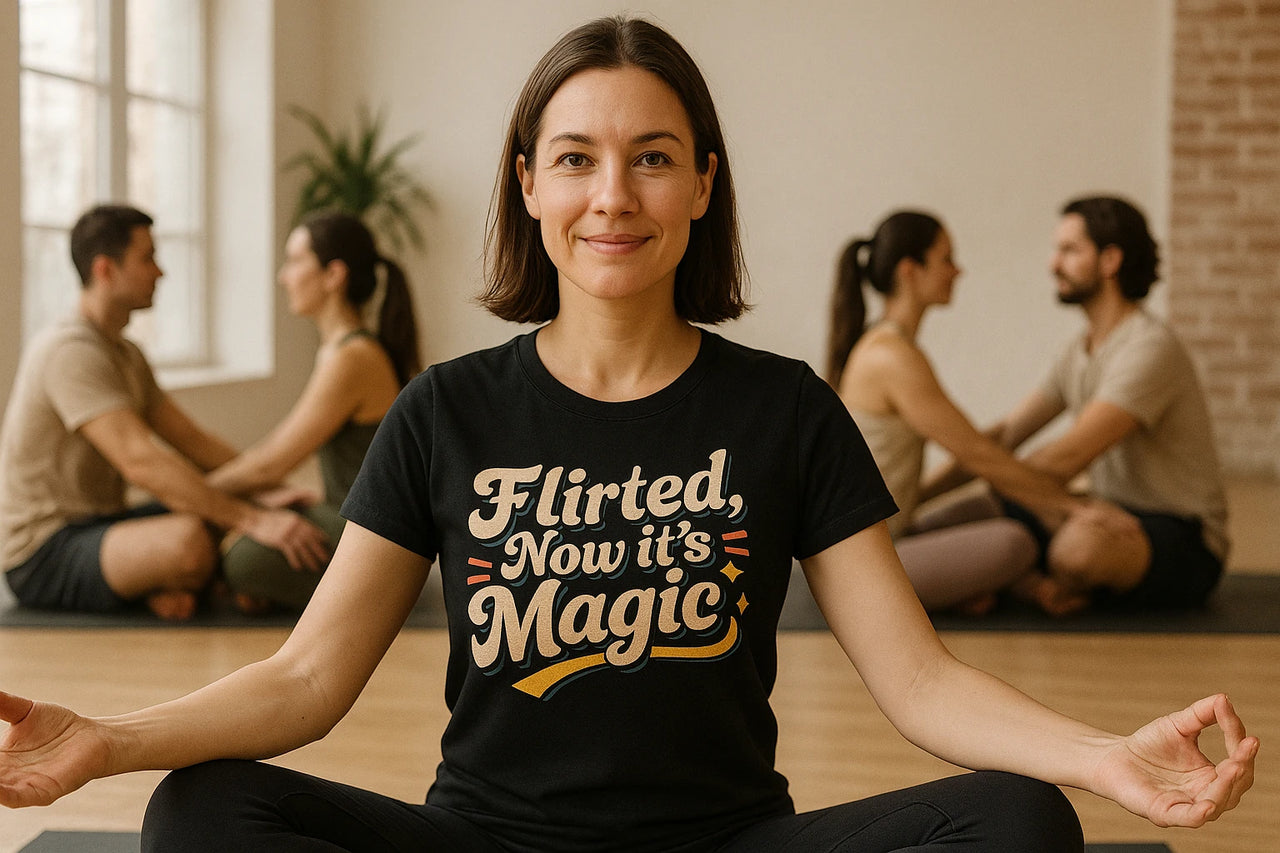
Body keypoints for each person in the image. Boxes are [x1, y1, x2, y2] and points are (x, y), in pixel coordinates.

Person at [0, 19, 1256, 852]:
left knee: (1018, 824)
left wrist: (1105, 758)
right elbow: (304, 681)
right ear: (529, 184)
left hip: (726, 839)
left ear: (702, 184)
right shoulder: (445, 411)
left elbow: (917, 681)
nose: (613, 195)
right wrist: (112, 738)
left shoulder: (781, 409)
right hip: (487, 841)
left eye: (652, 159)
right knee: (202, 815)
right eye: (577, 160)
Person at [0, 205, 331, 621]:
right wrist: (253, 520)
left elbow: (192, 439)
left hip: (106, 524)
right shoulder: (69, 352)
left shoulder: (126, 353)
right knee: (188, 543)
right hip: (45, 550)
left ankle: (157, 583)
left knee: (223, 493)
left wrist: (261, 488)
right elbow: (140, 460)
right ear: (105, 269)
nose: (161, 272)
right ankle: (159, 582)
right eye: (147, 258)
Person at [927, 196, 1230, 616]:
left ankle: (1031, 582)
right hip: (1108, 510)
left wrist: (1005, 481)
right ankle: (1035, 585)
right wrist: (922, 495)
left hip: (1181, 535)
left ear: (1110, 260)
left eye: (1069, 251)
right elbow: (1006, 434)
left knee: (1076, 551)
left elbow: (1064, 459)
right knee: (970, 515)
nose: (1053, 264)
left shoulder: (1149, 348)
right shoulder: (1079, 350)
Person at [827, 210, 1118, 613]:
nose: (957, 271)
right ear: (910, 270)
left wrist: (1051, 498)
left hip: (890, 533)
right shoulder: (891, 357)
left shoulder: (889, 345)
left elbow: (974, 449)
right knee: (1016, 541)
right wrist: (1071, 506)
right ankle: (988, 587)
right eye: (946, 259)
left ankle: (980, 588)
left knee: (993, 508)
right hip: (862, 565)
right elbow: (977, 454)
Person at [206, 211, 422, 611]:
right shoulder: (341, 350)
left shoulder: (353, 357)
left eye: (295, 261)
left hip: (369, 539)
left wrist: (192, 494)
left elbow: (270, 464)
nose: (283, 276)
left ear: (333, 275)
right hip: (350, 519)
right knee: (253, 517)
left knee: (240, 559)